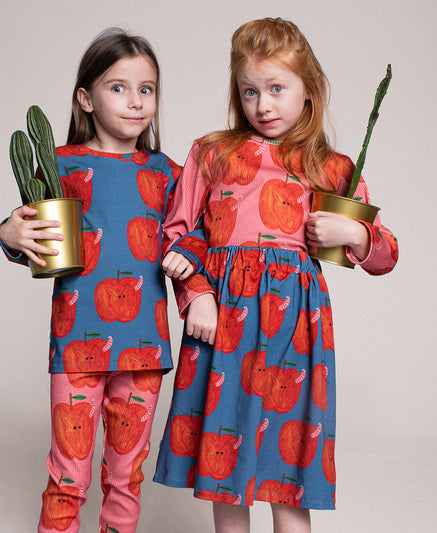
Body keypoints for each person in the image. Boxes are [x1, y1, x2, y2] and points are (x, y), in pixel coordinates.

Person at [153, 17, 398, 533]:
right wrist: (196, 295)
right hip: (223, 323)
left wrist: (353, 233)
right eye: (250, 92)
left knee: (287, 468)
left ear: (308, 89)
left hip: (294, 330)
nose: (262, 105)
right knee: (224, 461)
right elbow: (177, 234)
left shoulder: (331, 167)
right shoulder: (212, 152)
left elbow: (384, 255)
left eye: (276, 89)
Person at [0, 28, 181, 533]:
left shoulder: (169, 173)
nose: (135, 101)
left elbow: (196, 239)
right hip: (76, 346)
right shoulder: (60, 165)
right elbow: (29, 233)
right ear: (86, 98)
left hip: (145, 350)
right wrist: (8, 233)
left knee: (126, 479)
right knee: (67, 477)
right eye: (118, 87)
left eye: (146, 89)